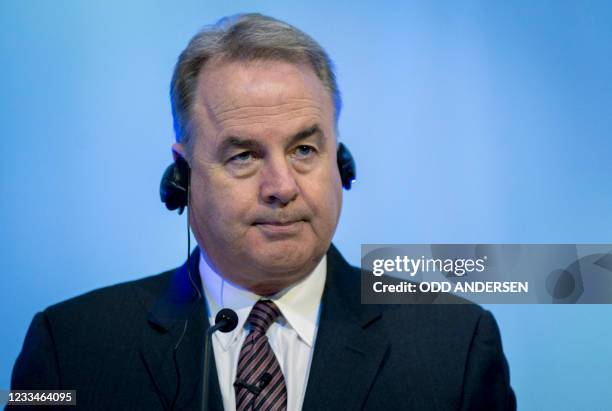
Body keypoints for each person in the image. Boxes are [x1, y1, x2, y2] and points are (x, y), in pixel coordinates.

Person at [9, 13, 516, 410]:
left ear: (342, 162)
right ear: (183, 177)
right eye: (244, 156)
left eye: (303, 150)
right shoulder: (69, 348)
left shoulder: (455, 344)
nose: (281, 187)